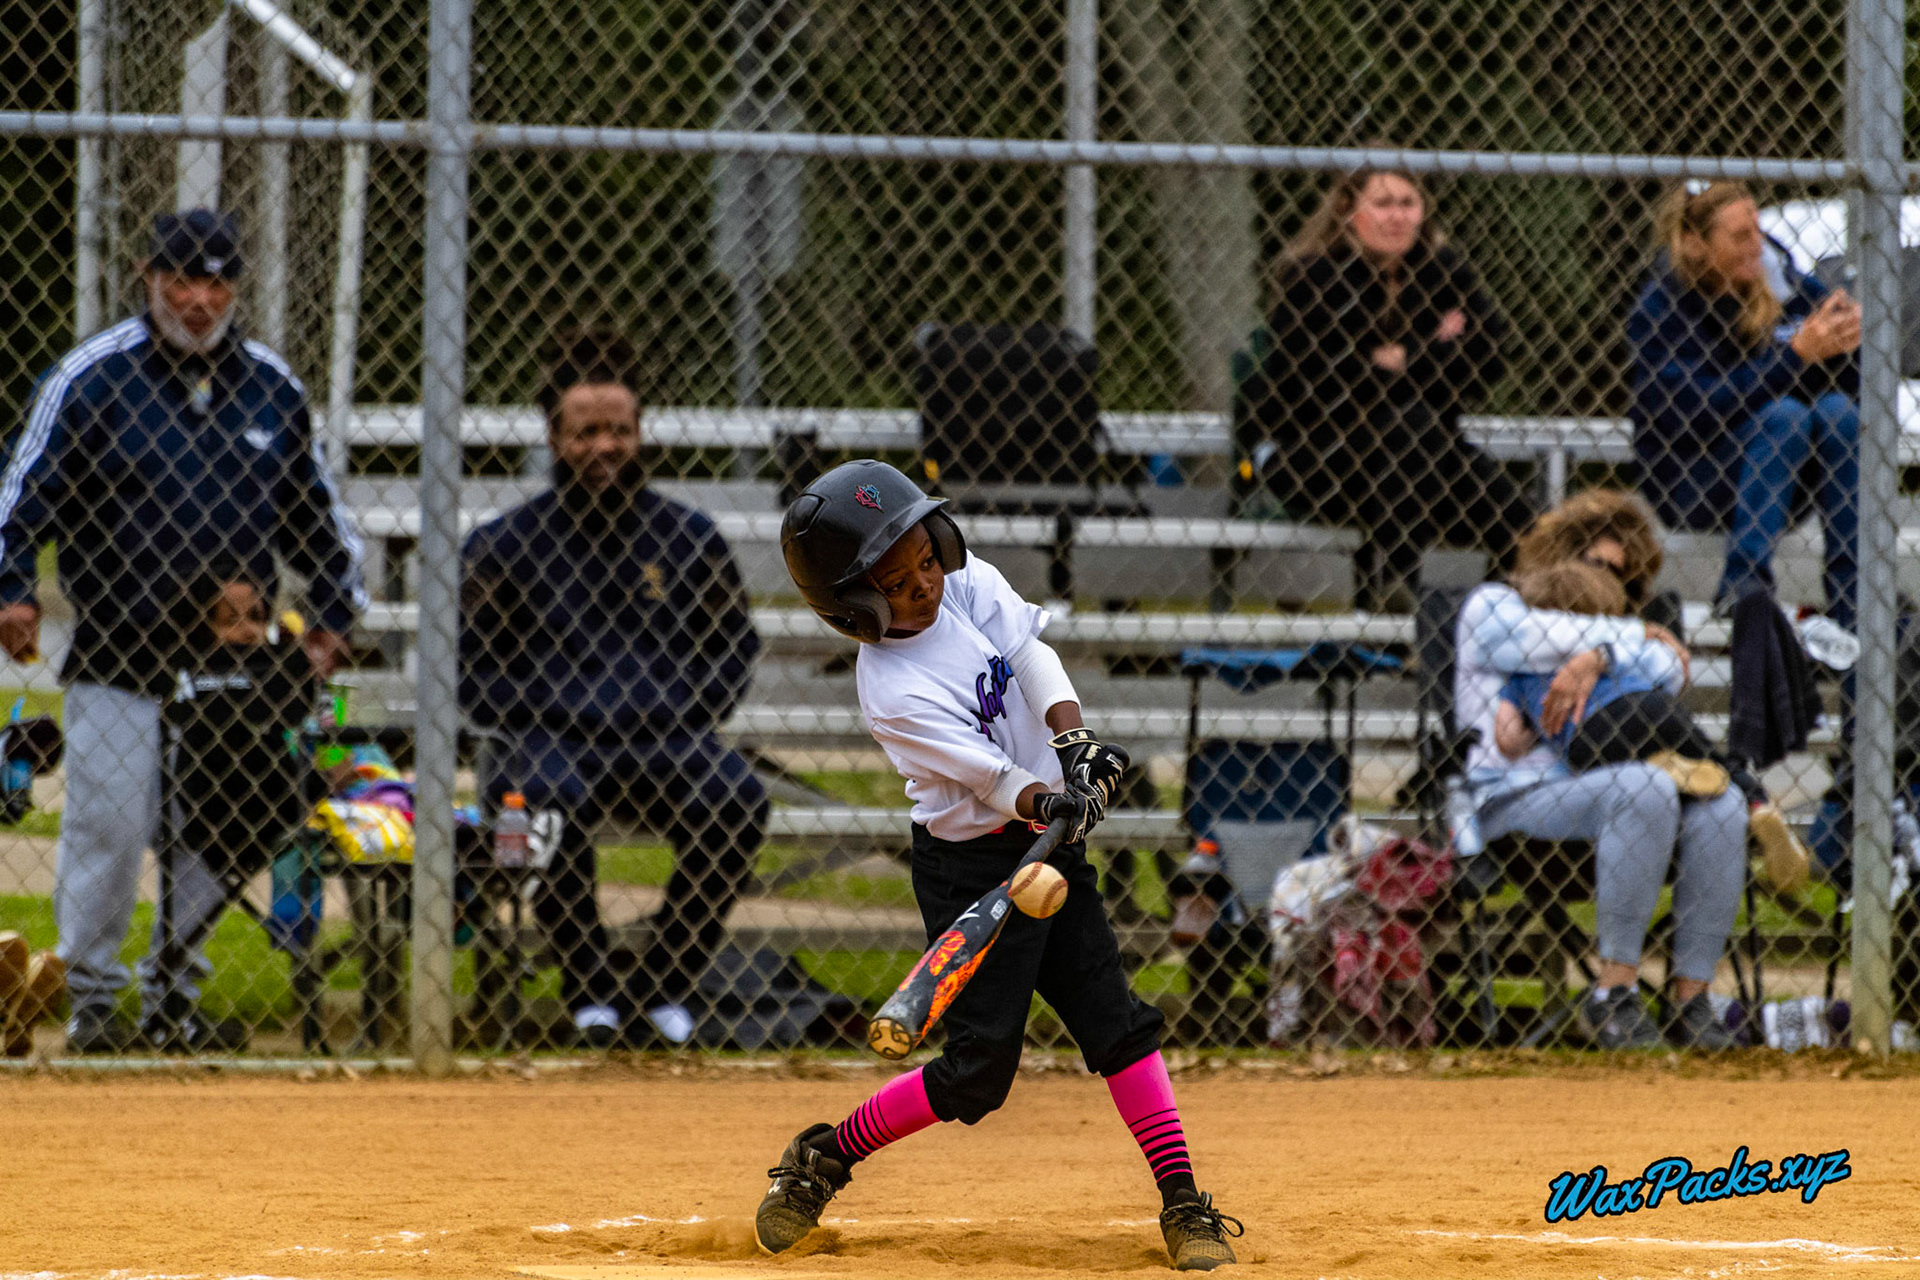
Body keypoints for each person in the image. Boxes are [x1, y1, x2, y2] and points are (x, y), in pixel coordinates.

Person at [758, 459, 1242, 1270]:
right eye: (896, 580)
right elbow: (988, 779)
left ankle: (1183, 1198)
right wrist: (1049, 799)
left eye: (923, 557)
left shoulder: (960, 578)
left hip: (1048, 844)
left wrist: (1072, 743)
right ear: (854, 606)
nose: (923, 583)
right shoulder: (894, 688)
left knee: (1116, 1025)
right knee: (979, 1074)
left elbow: (1029, 651)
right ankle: (826, 1156)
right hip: (969, 865)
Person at [0, 208, 364, 1053]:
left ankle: (177, 1000)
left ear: (236, 287)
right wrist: (12, 587)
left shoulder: (272, 386)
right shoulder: (94, 377)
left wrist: (337, 615)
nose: (199, 299)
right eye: (182, 280)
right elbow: (22, 492)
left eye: (216, 282)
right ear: (148, 278)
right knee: (110, 829)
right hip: (120, 653)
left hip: (230, 670)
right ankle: (92, 1002)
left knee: (217, 828)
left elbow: (321, 520)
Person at [458, 329, 766, 1049]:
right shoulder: (503, 546)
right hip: (548, 740)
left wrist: (687, 708)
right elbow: (469, 668)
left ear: (641, 433)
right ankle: (591, 987)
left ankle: (664, 984)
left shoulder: (688, 538)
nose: (605, 446)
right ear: (555, 438)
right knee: (535, 802)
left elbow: (734, 646)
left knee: (739, 799)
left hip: (667, 736)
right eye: (586, 431)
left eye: (619, 431)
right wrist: (543, 711)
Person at [1454, 493, 1749, 1051]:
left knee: (1724, 805)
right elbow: (1525, 639)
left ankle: (1692, 1002)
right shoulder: (1495, 603)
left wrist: (1601, 656)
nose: (1607, 581)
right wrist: (1629, 639)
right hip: (1519, 807)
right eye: (1595, 564)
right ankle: (1612, 996)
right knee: (1645, 785)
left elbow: (1669, 671)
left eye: (1619, 574)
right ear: (1561, 554)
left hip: (1627, 820)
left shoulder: (1615, 635)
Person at [1247, 162, 1532, 611]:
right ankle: (1390, 599)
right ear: (1347, 210)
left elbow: (1491, 357)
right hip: (1319, 453)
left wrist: (1404, 358)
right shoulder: (1314, 277)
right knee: (1414, 428)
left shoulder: (1443, 271)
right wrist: (1435, 358)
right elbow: (1323, 386)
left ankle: (1492, 622)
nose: (1397, 216)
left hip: (1426, 454)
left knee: (1519, 519)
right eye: (1382, 204)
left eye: (1407, 203)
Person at [1629, 180, 1861, 626]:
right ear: (1697, 244)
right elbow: (1694, 416)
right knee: (1786, 418)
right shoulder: (1663, 307)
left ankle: (1854, 593)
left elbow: (1850, 384)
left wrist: (1847, 342)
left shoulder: (1781, 282)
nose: (1757, 245)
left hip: (1781, 479)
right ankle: (1743, 590)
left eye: (1757, 230)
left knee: (1839, 415)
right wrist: (1793, 356)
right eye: (1739, 237)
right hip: (1690, 479)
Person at [144, 572, 322, 1051]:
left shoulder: (276, 662)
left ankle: (169, 998)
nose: (246, 631)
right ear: (202, 624)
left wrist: (291, 649)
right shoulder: (188, 666)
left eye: (257, 618)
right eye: (229, 620)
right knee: (189, 888)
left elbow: (302, 710)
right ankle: (166, 1000)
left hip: (267, 807)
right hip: (200, 805)